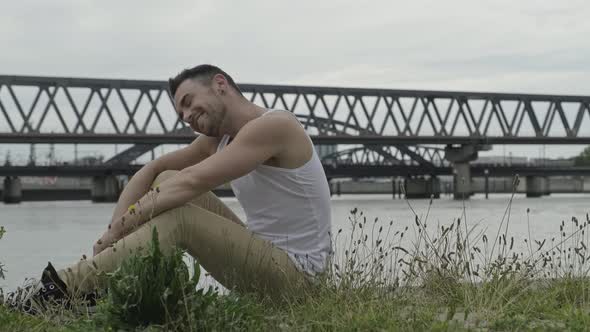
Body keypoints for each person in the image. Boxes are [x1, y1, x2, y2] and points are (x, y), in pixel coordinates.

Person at [2, 64, 332, 313]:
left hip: (298, 281)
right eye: (181, 112)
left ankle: (59, 290)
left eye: (189, 102)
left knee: (181, 213)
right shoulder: (222, 139)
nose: (187, 116)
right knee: (166, 177)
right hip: (263, 258)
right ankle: (109, 289)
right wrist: (111, 235)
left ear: (220, 84)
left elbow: (190, 183)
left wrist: (115, 233)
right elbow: (154, 169)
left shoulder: (275, 125)